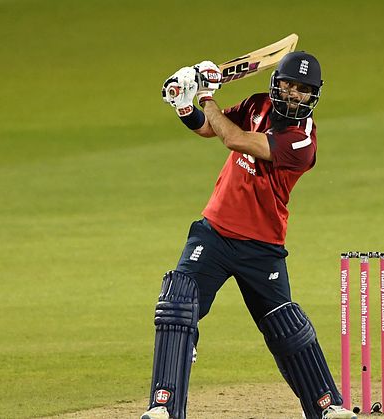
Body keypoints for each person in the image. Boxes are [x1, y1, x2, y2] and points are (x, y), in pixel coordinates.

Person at [140, 52, 357, 419]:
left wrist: (207, 95)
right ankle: (163, 408)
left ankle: (326, 406)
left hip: (262, 247)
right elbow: (210, 128)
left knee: (285, 327)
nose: (293, 95)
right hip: (214, 234)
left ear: (313, 96)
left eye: (302, 90)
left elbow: (235, 139)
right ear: (276, 84)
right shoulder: (259, 104)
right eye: (288, 85)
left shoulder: (302, 143)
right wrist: (183, 105)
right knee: (178, 305)